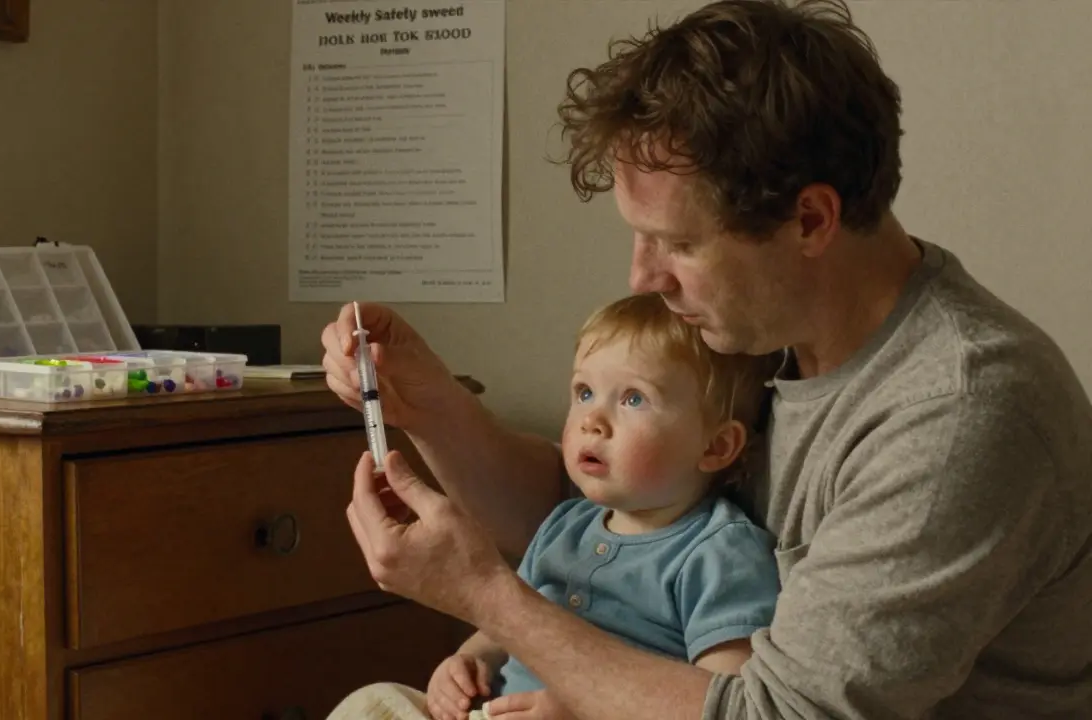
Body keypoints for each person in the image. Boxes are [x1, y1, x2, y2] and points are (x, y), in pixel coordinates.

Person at [322, 0, 1092, 717]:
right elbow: (609, 508)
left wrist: (489, 599)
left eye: (680, 244)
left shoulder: (958, 410)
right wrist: (425, 403)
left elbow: (775, 712)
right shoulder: (769, 338)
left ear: (811, 220)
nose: (642, 278)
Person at [329, 294, 782, 720]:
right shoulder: (566, 523)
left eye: (633, 399)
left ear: (717, 445)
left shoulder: (721, 551)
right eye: (584, 392)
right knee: (373, 703)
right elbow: (507, 623)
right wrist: (466, 662)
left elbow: (723, 701)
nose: (592, 420)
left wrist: (586, 711)